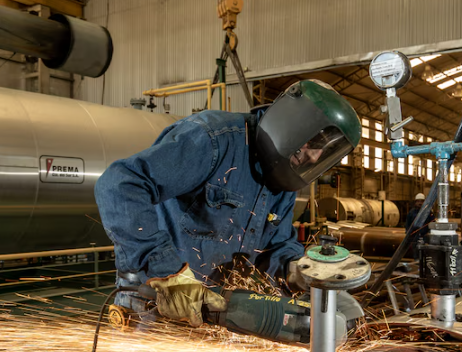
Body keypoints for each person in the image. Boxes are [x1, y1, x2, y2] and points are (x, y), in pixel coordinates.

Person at [94, 80, 362, 327]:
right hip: (154, 303)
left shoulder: (287, 175)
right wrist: (167, 274)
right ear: (291, 124)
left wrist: (295, 269)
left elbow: (276, 245)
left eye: (325, 150)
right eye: (314, 143)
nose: (315, 157)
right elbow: (120, 184)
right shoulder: (212, 139)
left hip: (214, 309)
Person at [404, 193, 434, 259]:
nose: (420, 203)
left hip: (426, 237)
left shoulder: (428, 212)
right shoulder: (411, 213)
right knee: (416, 254)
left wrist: (430, 234)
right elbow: (407, 224)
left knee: (426, 255)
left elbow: (433, 224)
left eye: (422, 201)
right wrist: (408, 235)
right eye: (418, 201)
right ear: (415, 202)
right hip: (415, 238)